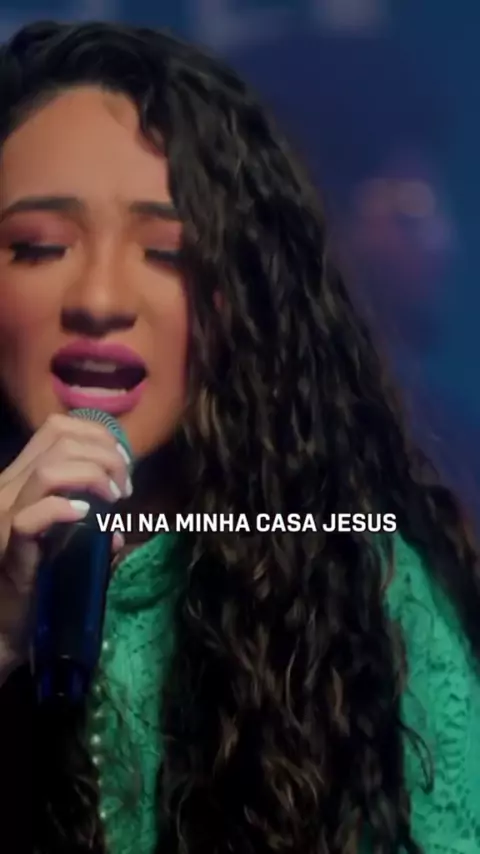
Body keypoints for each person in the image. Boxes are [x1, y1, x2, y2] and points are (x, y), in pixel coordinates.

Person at [0, 19, 478, 854]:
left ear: (244, 295)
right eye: (40, 247)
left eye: (168, 253)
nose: (100, 299)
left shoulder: (361, 589)